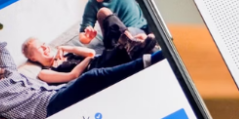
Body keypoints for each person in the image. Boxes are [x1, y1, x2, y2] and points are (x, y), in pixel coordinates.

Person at [0, 41, 163, 119]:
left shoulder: (9, 71)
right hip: (47, 109)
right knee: (91, 77)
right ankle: (152, 61)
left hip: (58, 94)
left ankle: (146, 63)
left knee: (96, 79)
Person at [24, 9, 158, 84]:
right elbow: (73, 75)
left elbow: (89, 52)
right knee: (147, 39)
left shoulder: (63, 54)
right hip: (99, 68)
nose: (45, 48)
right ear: (33, 58)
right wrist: (88, 58)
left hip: (104, 57)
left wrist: (64, 48)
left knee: (103, 12)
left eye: (44, 44)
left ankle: (131, 44)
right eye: (40, 48)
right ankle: (135, 46)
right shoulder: (45, 73)